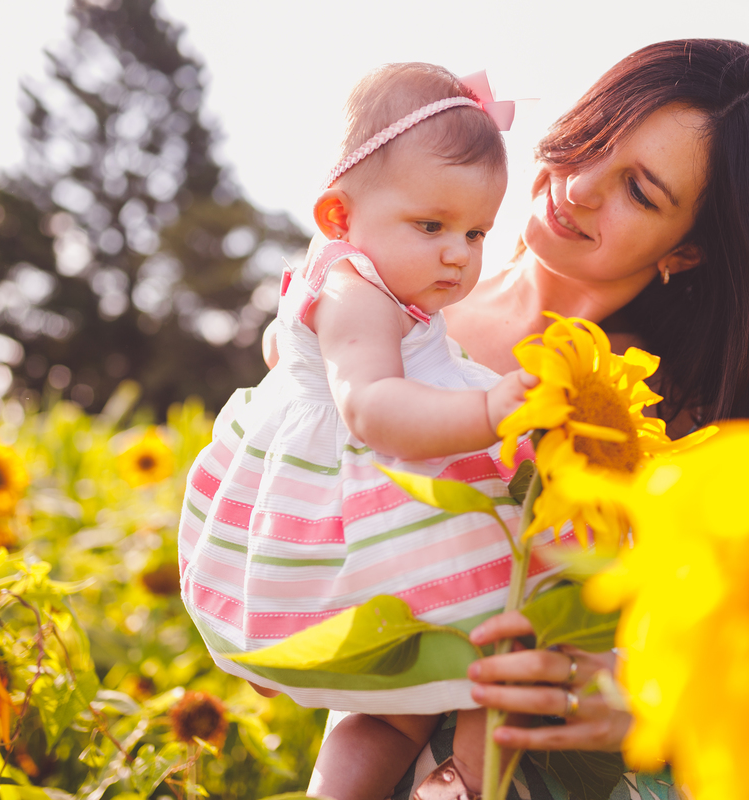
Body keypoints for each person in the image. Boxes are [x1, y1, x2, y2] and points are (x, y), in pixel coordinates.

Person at [389, 38, 749, 797]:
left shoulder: (676, 428)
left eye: (640, 192)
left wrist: (628, 699)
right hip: (370, 742)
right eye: (594, 135)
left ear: (686, 253)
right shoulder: (401, 301)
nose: (579, 185)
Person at [178, 63, 561, 800]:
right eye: (432, 226)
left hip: (384, 495)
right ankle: (463, 783)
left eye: (477, 231)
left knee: (398, 699)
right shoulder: (360, 292)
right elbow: (372, 407)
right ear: (339, 217)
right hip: (377, 496)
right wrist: (490, 413)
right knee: (504, 628)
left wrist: (291, 360)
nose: (458, 252)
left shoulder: (353, 274)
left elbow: (280, 345)